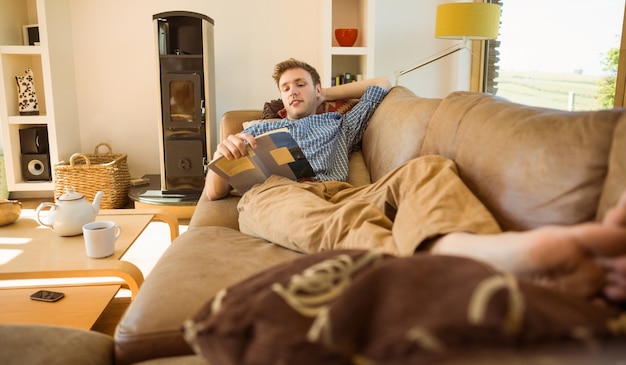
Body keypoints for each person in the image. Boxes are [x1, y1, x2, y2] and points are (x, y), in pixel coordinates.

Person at [204, 58, 626, 306]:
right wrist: (225, 154)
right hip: (278, 193)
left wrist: (324, 93)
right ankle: (475, 265)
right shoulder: (255, 127)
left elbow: (385, 84)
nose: (292, 91)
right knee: (329, 221)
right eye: (286, 87)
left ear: (319, 90)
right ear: (278, 98)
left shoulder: (340, 121)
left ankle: (466, 250)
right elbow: (214, 194)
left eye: (301, 84)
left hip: (345, 191)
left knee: (430, 168)